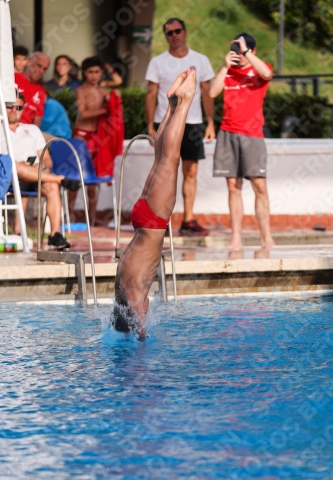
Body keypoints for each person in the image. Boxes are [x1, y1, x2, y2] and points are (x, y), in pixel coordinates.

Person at [113, 68, 196, 340]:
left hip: (151, 223)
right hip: (141, 221)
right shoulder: (120, 287)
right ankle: (171, 107)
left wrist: (141, 336)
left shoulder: (133, 293)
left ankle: (183, 102)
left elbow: (138, 312)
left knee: (170, 160)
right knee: (160, 158)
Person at [145, 18, 215, 237]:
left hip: (193, 123)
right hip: (165, 122)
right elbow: (151, 94)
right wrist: (149, 125)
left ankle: (188, 220)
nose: (174, 35)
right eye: (169, 32)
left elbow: (207, 92)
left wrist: (211, 121)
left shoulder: (200, 60)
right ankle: (161, 219)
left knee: (191, 172)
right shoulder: (157, 62)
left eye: (177, 31)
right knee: (164, 172)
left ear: (185, 33)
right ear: (166, 36)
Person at [209, 32, 275, 251]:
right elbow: (212, 92)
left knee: (260, 186)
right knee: (233, 187)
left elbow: (267, 73)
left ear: (252, 50)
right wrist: (225, 66)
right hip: (228, 132)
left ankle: (266, 237)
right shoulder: (227, 71)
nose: (240, 53)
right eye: (236, 48)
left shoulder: (258, 69)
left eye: (244, 49)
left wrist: (247, 52)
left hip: (252, 134)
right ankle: (236, 237)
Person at [1, 94, 80, 249]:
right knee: (15, 166)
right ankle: (60, 179)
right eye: (10, 105)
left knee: (51, 186)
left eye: (18, 107)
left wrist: (40, 166)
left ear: (22, 110)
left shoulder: (32, 129)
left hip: (35, 172)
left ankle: (55, 234)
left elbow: (47, 159)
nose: (13, 110)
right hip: (9, 174)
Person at [71, 56, 109, 226]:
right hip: (81, 135)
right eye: (90, 72)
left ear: (101, 73)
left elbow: (115, 109)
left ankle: (91, 218)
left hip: (97, 136)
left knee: (94, 179)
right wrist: (105, 110)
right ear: (85, 73)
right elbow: (83, 113)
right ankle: (70, 214)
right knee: (75, 176)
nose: (94, 75)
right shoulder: (81, 90)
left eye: (97, 72)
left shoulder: (104, 91)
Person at [15, 52, 50, 127]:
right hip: (7, 128)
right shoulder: (13, 78)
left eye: (44, 69)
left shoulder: (41, 92)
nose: (41, 71)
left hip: (26, 132)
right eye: (39, 66)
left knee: (55, 138)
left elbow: (36, 123)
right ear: (29, 62)